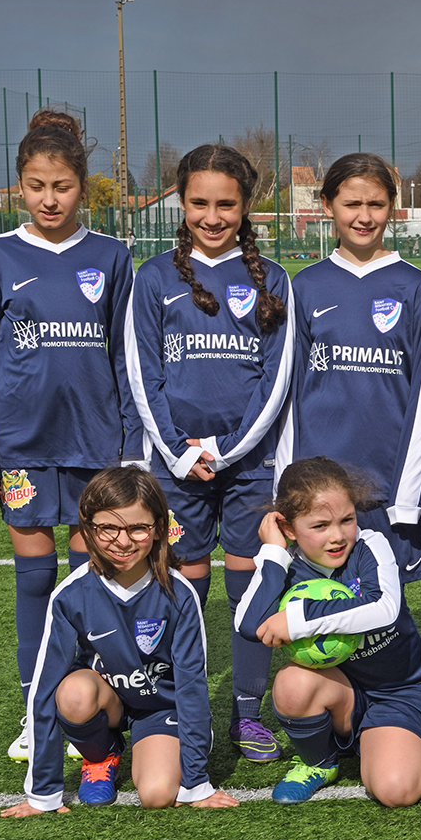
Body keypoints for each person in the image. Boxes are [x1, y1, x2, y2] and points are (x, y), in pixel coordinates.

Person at [0, 109, 136, 762]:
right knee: (33, 577)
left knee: (85, 578)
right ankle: (34, 707)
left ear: (82, 187)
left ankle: (83, 699)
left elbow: (125, 360)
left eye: (61, 186)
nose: (48, 198)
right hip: (23, 443)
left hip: (95, 443)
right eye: (36, 185)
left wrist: (130, 452)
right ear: (19, 184)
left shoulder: (111, 256)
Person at [126, 144, 294, 764]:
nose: (213, 215)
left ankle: (248, 713)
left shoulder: (272, 279)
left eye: (227, 203)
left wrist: (228, 450)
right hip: (176, 466)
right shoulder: (152, 278)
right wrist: (174, 451)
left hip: (250, 463)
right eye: (200, 202)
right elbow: (141, 373)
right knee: (185, 586)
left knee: (251, 590)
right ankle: (179, 705)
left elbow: (277, 380)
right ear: (181, 201)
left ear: (247, 206)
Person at [2, 467, 240, 817]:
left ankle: (153, 749)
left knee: (158, 794)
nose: (123, 541)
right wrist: (43, 794)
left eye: (137, 528)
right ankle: (101, 755)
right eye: (108, 528)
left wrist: (197, 783)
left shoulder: (178, 595)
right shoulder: (70, 596)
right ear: (88, 529)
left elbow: (191, 688)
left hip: (161, 708)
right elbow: (44, 690)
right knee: (72, 693)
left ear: (159, 528)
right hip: (106, 699)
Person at [232, 457, 421, 807]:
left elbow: (384, 608)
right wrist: (273, 554)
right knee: (292, 683)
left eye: (346, 520)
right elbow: (248, 625)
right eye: (319, 526)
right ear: (288, 527)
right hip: (338, 693)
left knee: (395, 791)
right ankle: (319, 763)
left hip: (396, 693)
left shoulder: (370, 547)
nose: (337, 536)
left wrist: (298, 619)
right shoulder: (286, 565)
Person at [278, 153, 421, 584]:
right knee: (319, 616)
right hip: (316, 478)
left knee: (385, 617)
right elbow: (288, 393)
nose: (364, 217)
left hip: (385, 482)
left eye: (377, 205)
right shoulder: (307, 285)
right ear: (327, 205)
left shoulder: (417, 287)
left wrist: (407, 496)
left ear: (392, 205)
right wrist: (285, 482)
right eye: (352, 204)